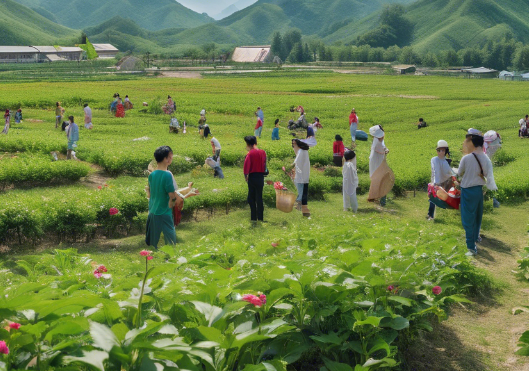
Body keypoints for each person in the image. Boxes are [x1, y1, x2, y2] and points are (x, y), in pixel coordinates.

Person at [458, 129, 497, 256]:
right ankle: (475, 237)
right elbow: (487, 175)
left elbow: (459, 174)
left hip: (468, 190)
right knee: (477, 216)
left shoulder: (466, 158)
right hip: (478, 191)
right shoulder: (486, 159)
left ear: (473, 144)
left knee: (468, 218)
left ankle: (471, 247)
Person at [145, 146, 178, 249]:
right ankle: (171, 257)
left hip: (153, 209)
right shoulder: (167, 175)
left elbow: (150, 192)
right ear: (166, 159)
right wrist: (173, 202)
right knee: (171, 238)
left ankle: (152, 256)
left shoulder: (152, 175)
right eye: (171, 157)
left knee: (154, 239)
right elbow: (171, 194)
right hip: (164, 210)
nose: (171, 159)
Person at [428, 140, 454, 220]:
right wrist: (433, 182)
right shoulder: (434, 159)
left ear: (445, 151)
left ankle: (439, 214)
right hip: (436, 182)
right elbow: (434, 171)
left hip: (444, 182)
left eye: (443, 150)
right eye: (439, 150)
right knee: (433, 199)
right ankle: (430, 215)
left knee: (443, 198)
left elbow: (449, 172)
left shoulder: (446, 161)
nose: (440, 152)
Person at [243, 136, 267, 221]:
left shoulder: (250, 154)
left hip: (252, 177)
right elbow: (264, 165)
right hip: (260, 177)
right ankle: (260, 218)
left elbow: (246, 166)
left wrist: (246, 176)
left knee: (251, 198)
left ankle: (253, 218)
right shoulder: (263, 152)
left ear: (248, 144)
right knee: (259, 198)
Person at [369, 125, 389, 206]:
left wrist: (385, 149)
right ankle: (381, 200)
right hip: (377, 162)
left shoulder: (377, 140)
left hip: (377, 161)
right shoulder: (377, 142)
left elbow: (383, 147)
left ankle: (373, 197)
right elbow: (383, 150)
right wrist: (386, 150)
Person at [292, 139, 311, 216]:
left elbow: (296, 163)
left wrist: (288, 168)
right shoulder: (304, 151)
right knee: (303, 192)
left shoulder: (301, 152)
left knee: (300, 192)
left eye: (294, 144)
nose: (293, 146)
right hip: (304, 175)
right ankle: (304, 211)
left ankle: (300, 208)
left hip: (300, 176)